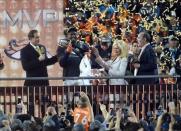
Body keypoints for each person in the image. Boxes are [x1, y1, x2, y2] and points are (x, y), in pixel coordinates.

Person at [20, 29, 57, 116]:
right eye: (36, 37)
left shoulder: (42, 47)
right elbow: (25, 67)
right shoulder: (24, 50)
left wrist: (56, 58)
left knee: (45, 106)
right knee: (31, 107)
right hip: (32, 83)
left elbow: (45, 62)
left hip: (43, 82)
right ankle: (31, 124)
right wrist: (38, 60)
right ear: (30, 38)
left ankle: (46, 123)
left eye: (38, 37)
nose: (38, 39)